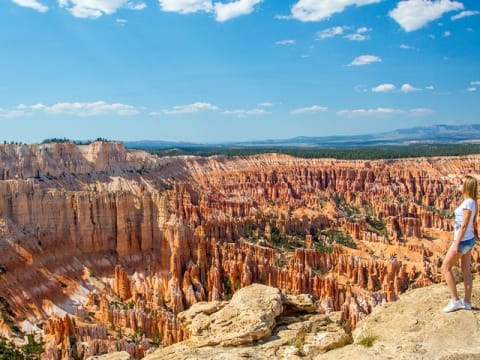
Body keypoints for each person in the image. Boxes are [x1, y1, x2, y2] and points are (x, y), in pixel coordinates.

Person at [442, 175, 478, 312]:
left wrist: (456, 244)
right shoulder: (472, 202)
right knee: (466, 271)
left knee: (445, 268)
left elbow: (463, 226)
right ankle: (467, 302)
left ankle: (455, 300)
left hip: (462, 241)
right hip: (468, 240)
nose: (459, 184)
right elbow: (470, 224)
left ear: (467, 186)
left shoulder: (468, 203)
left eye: (462, 183)